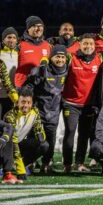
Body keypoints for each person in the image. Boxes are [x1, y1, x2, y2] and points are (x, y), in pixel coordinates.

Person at [23, 44, 69, 174]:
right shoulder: (42, 70)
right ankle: (29, 162)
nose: (60, 60)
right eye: (57, 57)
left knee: (51, 141)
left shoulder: (68, 71)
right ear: (51, 57)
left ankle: (46, 164)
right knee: (34, 139)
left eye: (62, 57)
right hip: (38, 112)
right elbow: (27, 88)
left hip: (53, 113)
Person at [61, 34, 103, 173]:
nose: (88, 46)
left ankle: (79, 163)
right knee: (70, 132)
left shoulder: (99, 58)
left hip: (89, 105)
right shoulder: (71, 57)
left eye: (91, 44)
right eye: (85, 44)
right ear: (79, 44)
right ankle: (67, 164)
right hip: (70, 103)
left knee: (84, 134)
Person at [3, 88, 48, 182]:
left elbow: (39, 131)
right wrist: (21, 170)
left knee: (44, 145)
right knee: (9, 145)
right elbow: (13, 141)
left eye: (28, 102)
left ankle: (22, 164)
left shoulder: (35, 112)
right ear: (17, 102)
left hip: (20, 143)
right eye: (23, 102)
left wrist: (40, 135)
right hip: (6, 147)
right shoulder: (10, 116)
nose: (26, 105)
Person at [15, 16, 51, 88]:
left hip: (41, 87)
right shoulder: (19, 45)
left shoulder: (47, 45)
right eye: (35, 26)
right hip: (22, 88)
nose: (38, 29)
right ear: (28, 29)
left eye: (40, 26)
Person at [0, 27, 19, 117]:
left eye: (14, 38)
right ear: (3, 40)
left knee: (8, 123)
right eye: (9, 37)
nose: (11, 40)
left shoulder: (18, 54)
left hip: (11, 97)